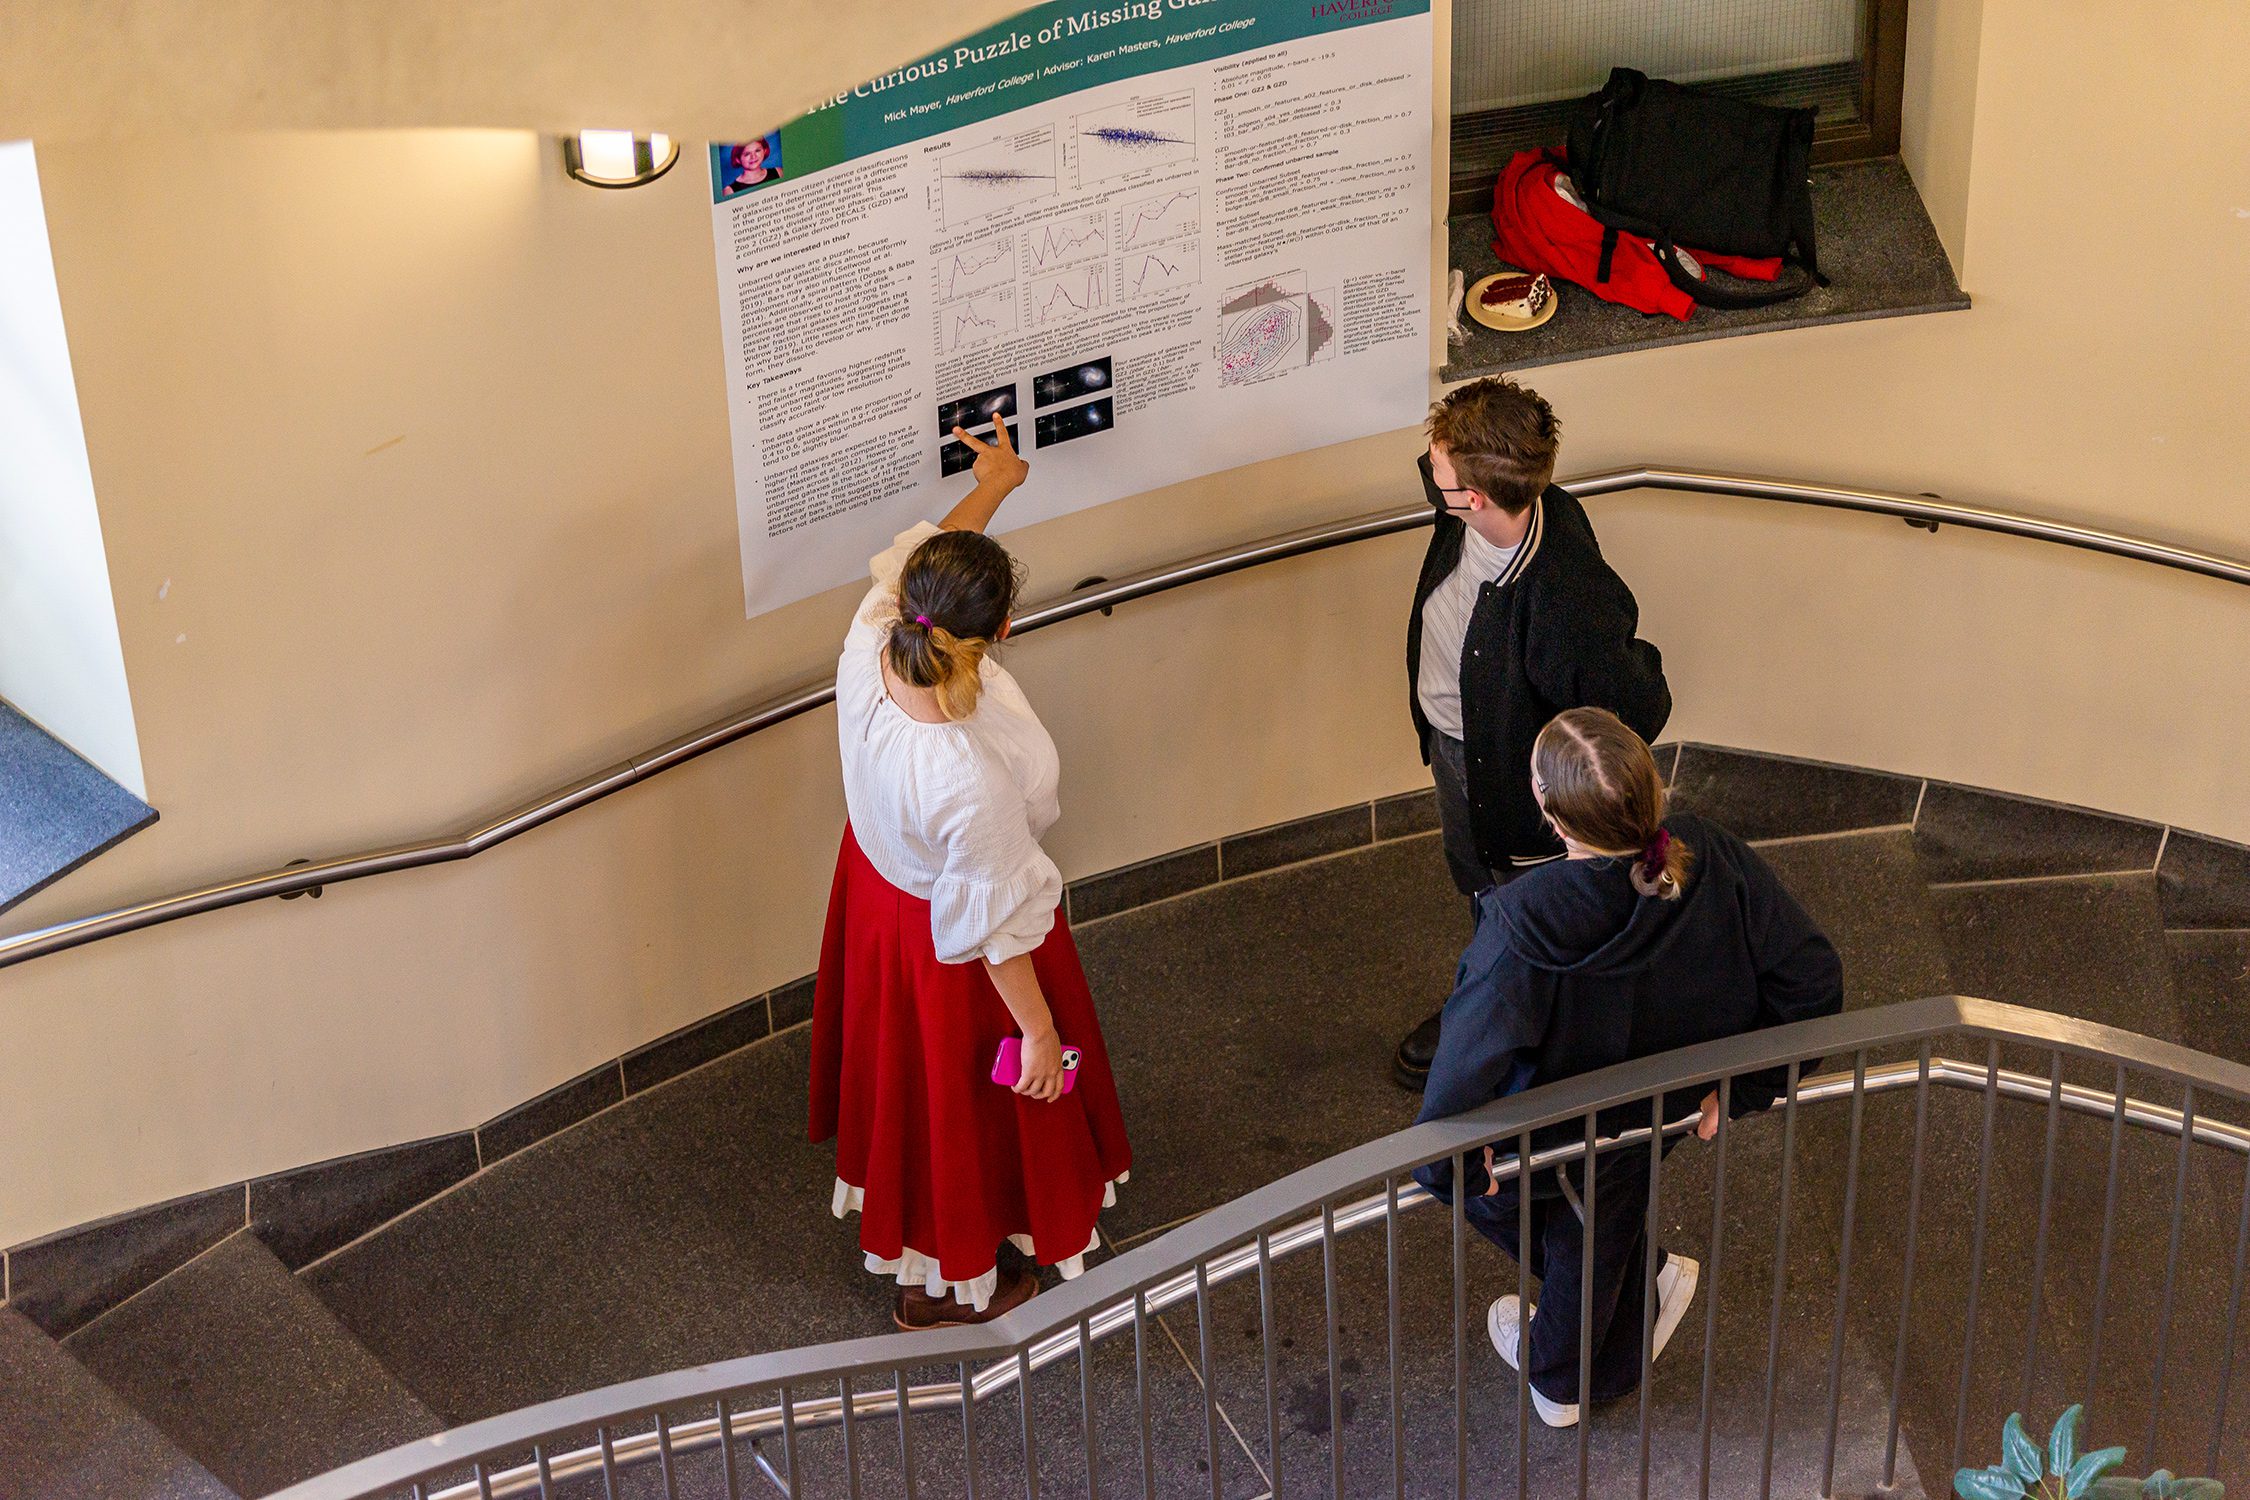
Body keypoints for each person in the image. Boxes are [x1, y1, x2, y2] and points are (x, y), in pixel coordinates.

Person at [1412, 708, 1844, 1428]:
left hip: (1553, 1132)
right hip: (1662, 1106)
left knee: (1553, 1209)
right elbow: (1813, 980)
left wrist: (1447, 1169)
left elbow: (1461, 1074)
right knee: (1602, 1204)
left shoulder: (1520, 925)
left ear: (1552, 815)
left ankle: (1561, 1377)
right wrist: (1742, 1087)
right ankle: (1634, 1299)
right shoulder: (1707, 854)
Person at [808, 421, 1132, 1330]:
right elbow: (991, 930)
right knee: (959, 1106)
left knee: (910, 1094)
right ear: (1002, 633)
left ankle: (925, 1241)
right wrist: (1038, 1032)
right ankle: (944, 1277)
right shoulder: (965, 773)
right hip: (953, 946)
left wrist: (995, 485)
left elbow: (922, 561)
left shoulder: (873, 633)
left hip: (880, 898)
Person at [1392, 375, 1672, 1091]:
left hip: (1513, 784)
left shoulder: (1562, 595)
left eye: (1437, 472)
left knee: (1528, 906)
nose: (1429, 476)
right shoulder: (1496, 506)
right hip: (1457, 750)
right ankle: (1491, 994)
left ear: (1476, 498)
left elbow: (1635, 704)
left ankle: (1515, 1030)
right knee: (1480, 884)